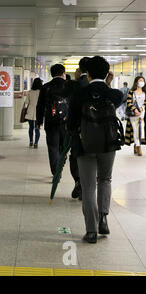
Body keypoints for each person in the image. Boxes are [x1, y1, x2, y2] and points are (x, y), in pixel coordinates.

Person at [67, 56, 124, 244]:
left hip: (85, 145)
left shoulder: (79, 94)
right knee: (105, 179)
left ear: (88, 74)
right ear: (108, 74)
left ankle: (91, 231)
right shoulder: (113, 94)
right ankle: (104, 220)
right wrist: (107, 84)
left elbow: (71, 124)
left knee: (89, 186)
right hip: (108, 144)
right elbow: (117, 99)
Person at [36, 64, 70, 176]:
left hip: (50, 122)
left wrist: (39, 121)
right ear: (63, 73)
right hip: (66, 123)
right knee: (63, 147)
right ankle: (61, 162)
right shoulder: (68, 85)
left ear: (52, 74)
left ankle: (56, 171)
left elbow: (40, 105)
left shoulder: (46, 87)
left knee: (52, 147)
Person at [68, 57, 90, 201]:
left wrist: (70, 129)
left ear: (80, 69)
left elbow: (72, 109)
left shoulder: (76, 85)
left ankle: (79, 181)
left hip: (78, 129)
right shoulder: (100, 87)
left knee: (75, 157)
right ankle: (87, 184)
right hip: (97, 131)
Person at [124, 76, 146, 156]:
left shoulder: (145, 92)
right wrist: (135, 109)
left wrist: (140, 109)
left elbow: (145, 103)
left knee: (140, 129)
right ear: (136, 82)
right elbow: (129, 102)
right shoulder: (131, 91)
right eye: (140, 80)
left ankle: (136, 145)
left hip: (142, 114)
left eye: (143, 81)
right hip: (133, 114)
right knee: (136, 129)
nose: (142, 82)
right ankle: (138, 147)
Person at [25, 78, 43, 148]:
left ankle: (31, 142)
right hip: (38, 113)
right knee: (37, 128)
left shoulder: (30, 92)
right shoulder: (41, 92)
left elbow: (26, 102)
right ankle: (36, 143)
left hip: (30, 112)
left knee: (30, 128)